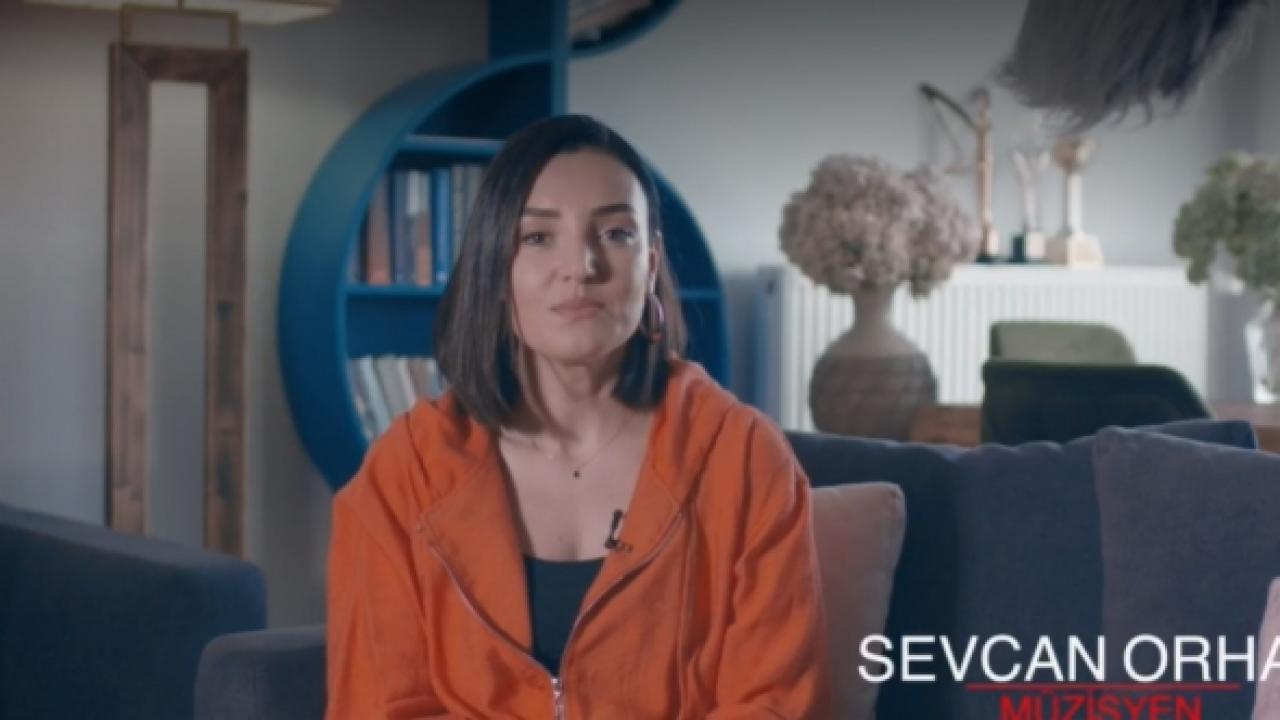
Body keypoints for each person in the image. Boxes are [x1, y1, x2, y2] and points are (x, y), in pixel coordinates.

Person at [326, 114, 831, 719]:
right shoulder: (404, 473)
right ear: (496, 269)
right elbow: (379, 703)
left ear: (650, 265)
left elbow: (774, 701)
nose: (581, 266)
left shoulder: (743, 457)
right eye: (539, 237)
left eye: (615, 233)